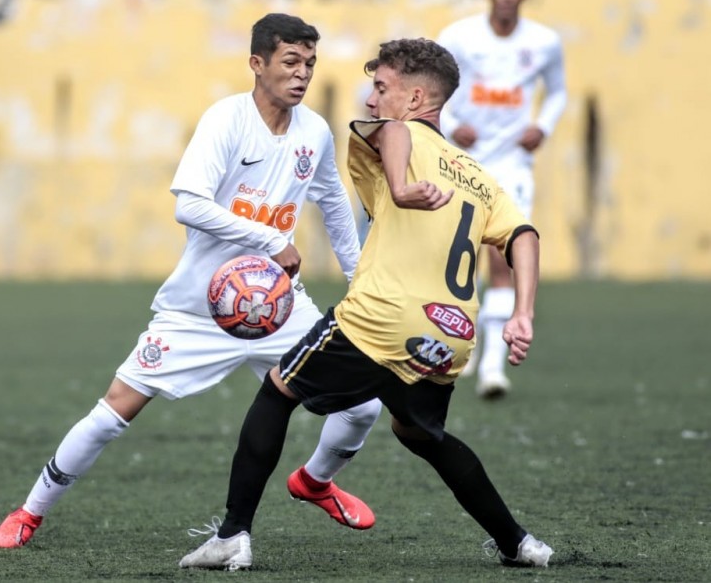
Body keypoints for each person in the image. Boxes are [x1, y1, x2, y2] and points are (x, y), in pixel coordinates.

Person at [0, 13, 382, 549]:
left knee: (363, 403)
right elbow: (189, 204)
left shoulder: (313, 131)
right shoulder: (225, 120)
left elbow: (334, 203)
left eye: (310, 64)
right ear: (257, 64)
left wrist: (359, 278)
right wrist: (270, 239)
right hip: (199, 308)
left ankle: (315, 482)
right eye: (290, 61)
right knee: (113, 411)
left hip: (275, 308)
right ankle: (28, 513)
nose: (302, 74)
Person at [180, 38, 552, 571]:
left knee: (278, 390)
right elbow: (525, 236)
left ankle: (232, 535)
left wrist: (400, 187)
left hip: (379, 318)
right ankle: (519, 543)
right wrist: (522, 313)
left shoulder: (398, 132)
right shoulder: (478, 176)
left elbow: (397, 132)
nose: (372, 101)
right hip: (449, 336)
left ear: (417, 95)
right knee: (421, 434)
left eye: (381, 88)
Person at [437, 0, 566, 399]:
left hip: (512, 163)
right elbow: (433, 87)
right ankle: (463, 346)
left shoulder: (544, 42)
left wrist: (543, 126)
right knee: (459, 260)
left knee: (502, 259)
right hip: (464, 159)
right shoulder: (458, 37)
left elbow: (559, 90)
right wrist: (452, 124)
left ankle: (493, 364)